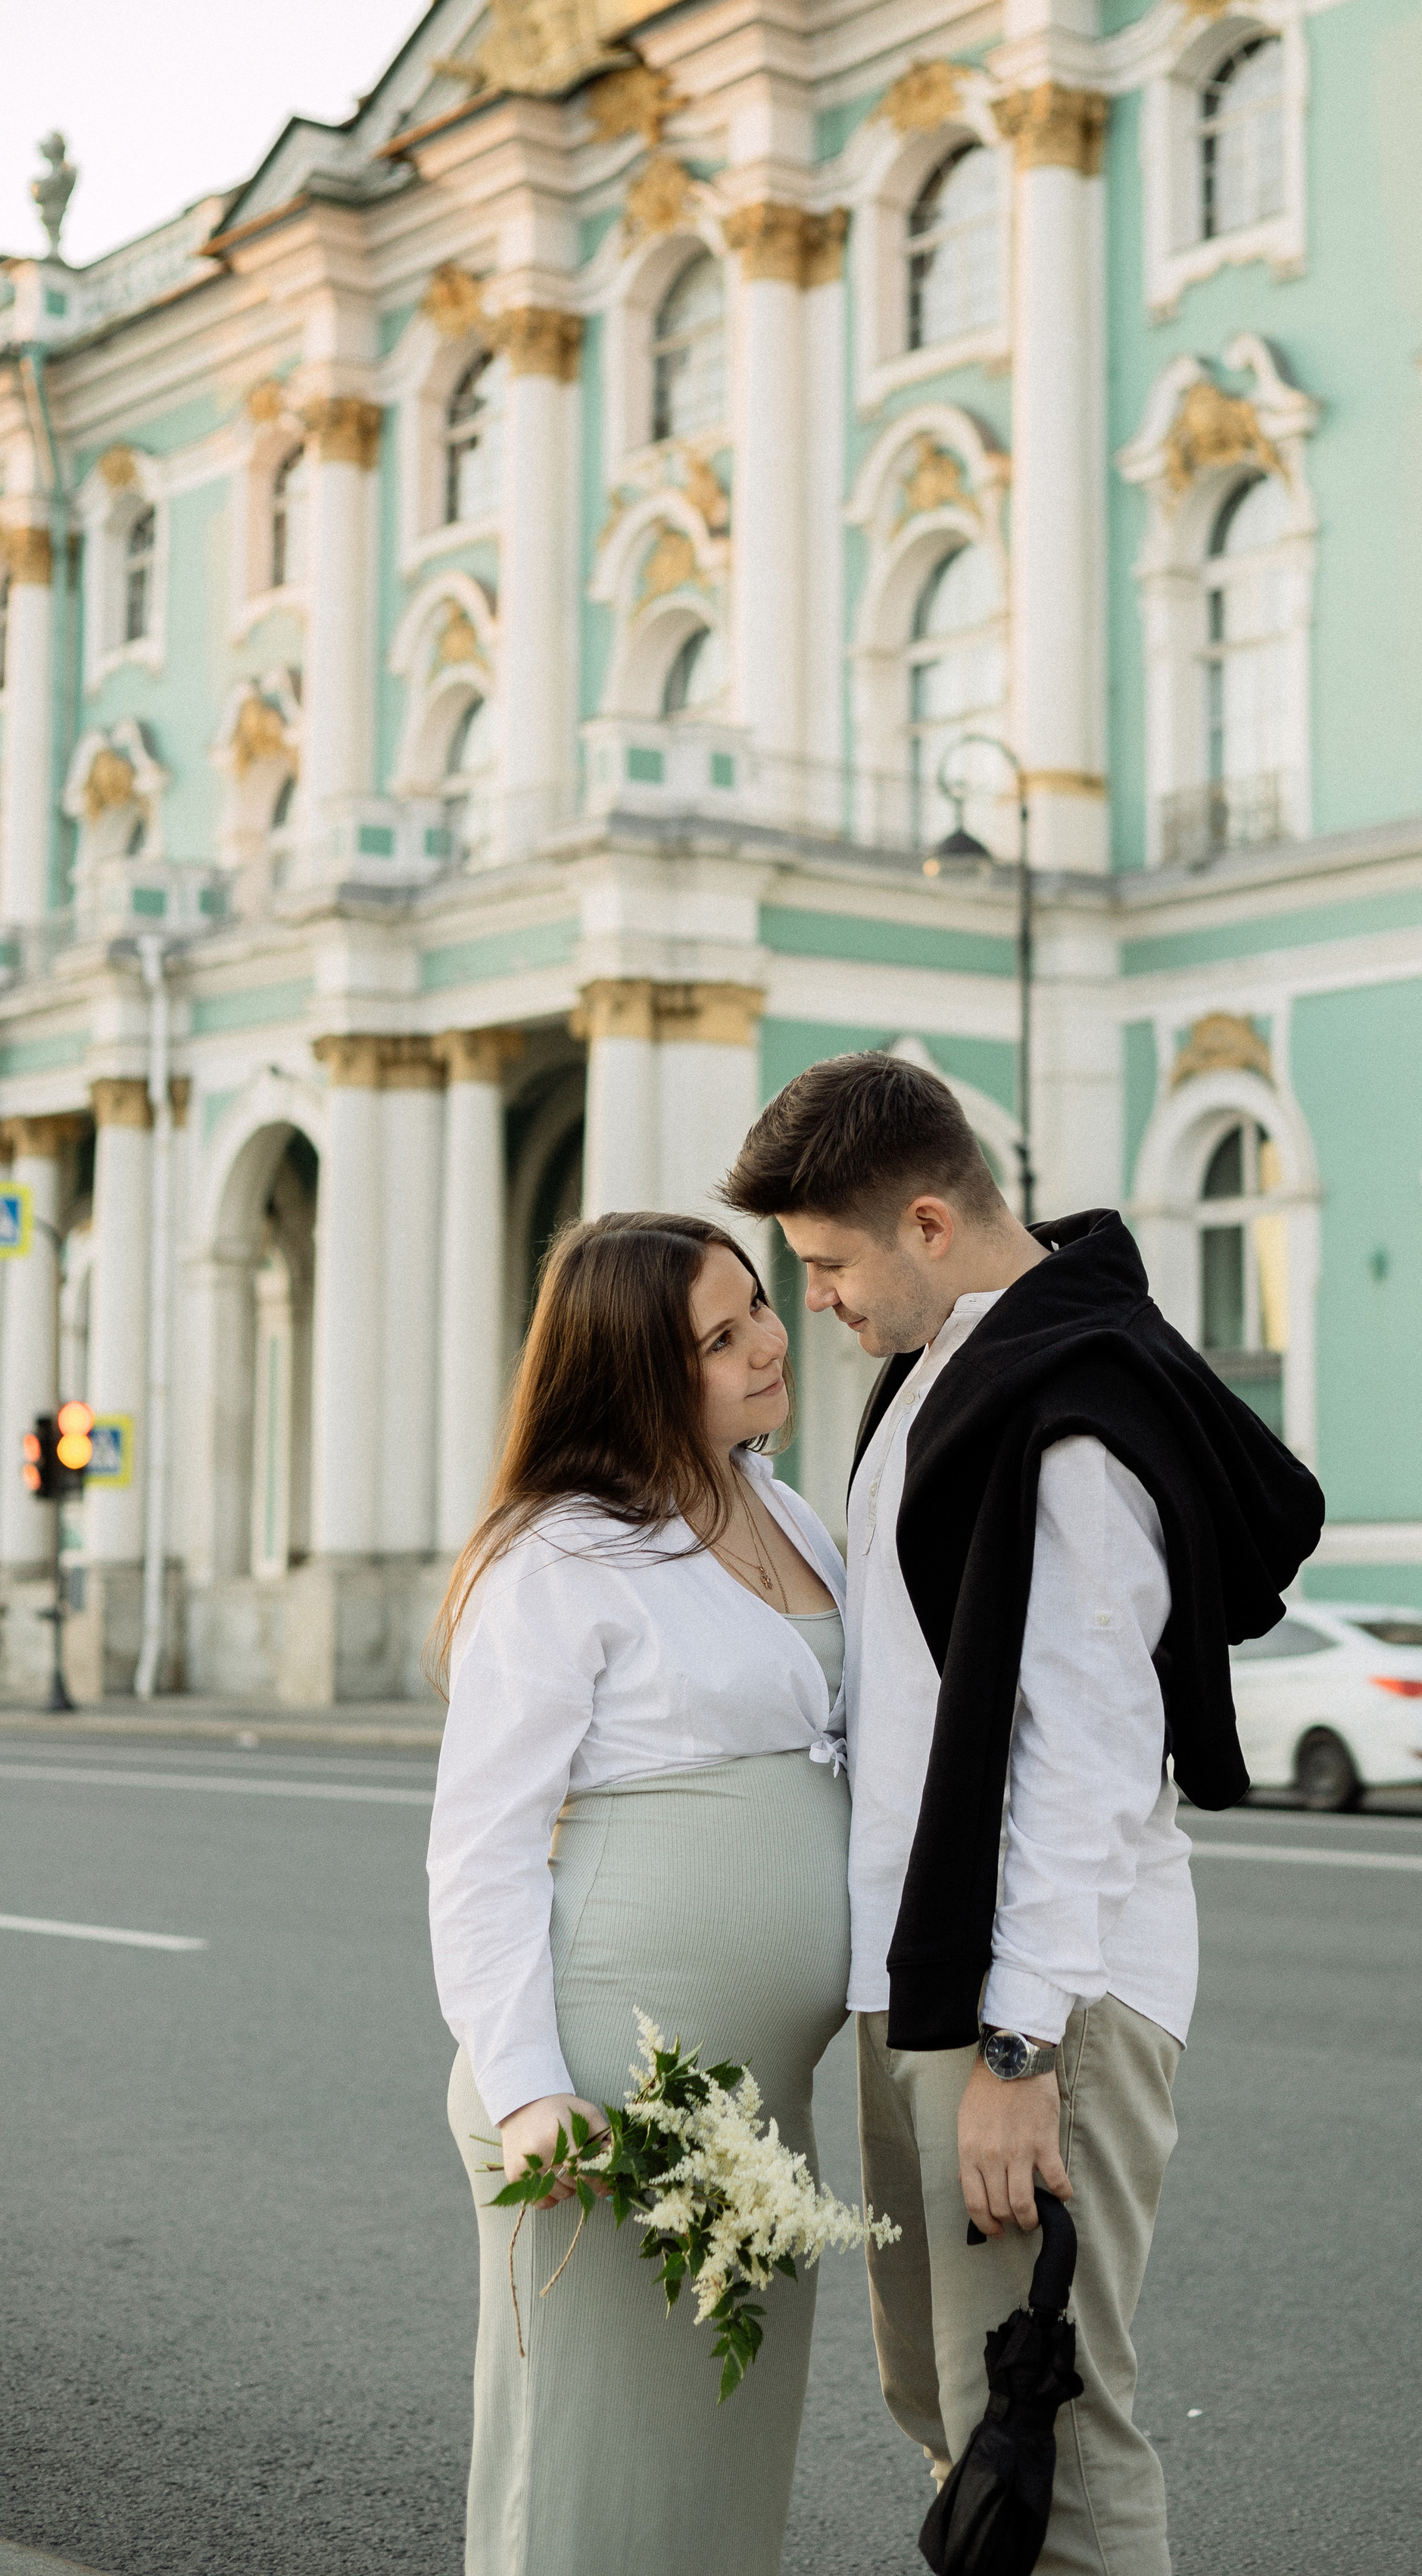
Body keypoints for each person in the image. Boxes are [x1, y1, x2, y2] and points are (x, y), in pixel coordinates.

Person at [722, 1057, 1324, 2576]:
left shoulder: (1062, 1419)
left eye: (831, 1266)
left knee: (1045, 2421)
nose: (822, 1305)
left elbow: (1088, 1763)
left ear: (926, 1222)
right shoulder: (937, 1374)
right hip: (929, 1977)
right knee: (946, 2401)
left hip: (1035, 2000)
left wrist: (1017, 2053)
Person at [425, 1211, 850, 2576]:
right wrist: (529, 2083)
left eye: (759, 1308)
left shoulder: (774, 1500)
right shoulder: (559, 1555)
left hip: (754, 2094)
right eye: (718, 1342)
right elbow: (479, 1843)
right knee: (588, 2473)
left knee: (715, 2463)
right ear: (632, 1378)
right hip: (609, 2088)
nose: (767, 1344)